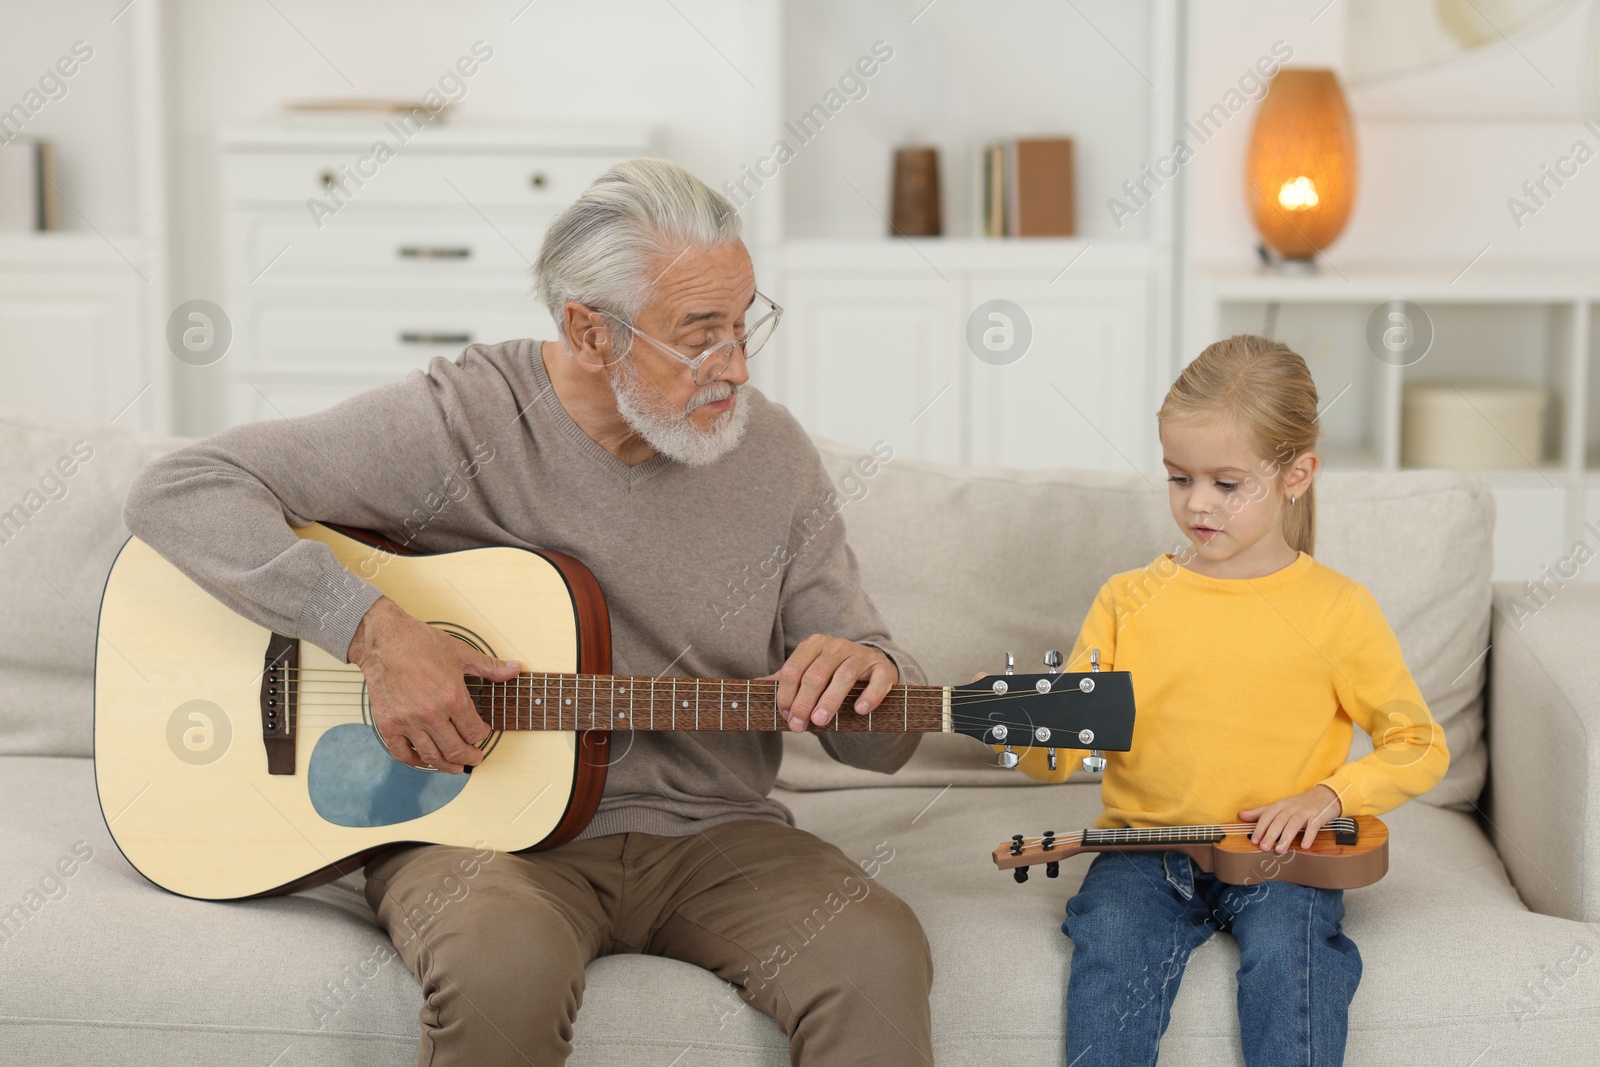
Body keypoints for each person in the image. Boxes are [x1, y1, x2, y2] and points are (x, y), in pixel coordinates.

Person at [123, 158, 934, 1066]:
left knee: (876, 951)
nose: (736, 367)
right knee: (501, 966)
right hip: (481, 832)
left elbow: (878, 732)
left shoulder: (774, 453)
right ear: (589, 332)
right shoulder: (462, 418)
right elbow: (184, 487)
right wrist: (373, 630)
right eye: (700, 335)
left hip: (716, 832)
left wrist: (874, 676)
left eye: (746, 324)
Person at [1006, 334, 1449, 1066]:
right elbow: (1061, 756)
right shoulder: (1128, 599)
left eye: (1226, 482)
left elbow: (1420, 742)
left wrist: (1330, 794)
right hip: (1143, 850)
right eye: (1179, 478)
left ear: (1297, 474)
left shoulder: (1338, 608)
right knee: (1110, 949)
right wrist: (1024, 732)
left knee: (1292, 953)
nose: (1197, 503)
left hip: (1282, 857)